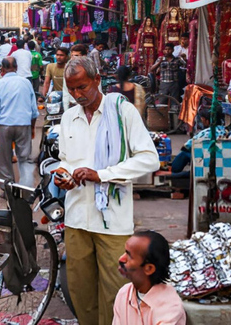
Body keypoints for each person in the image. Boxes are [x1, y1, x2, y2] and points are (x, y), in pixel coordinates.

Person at [55, 56, 159, 325]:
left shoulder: (122, 113)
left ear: (97, 80)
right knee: (80, 291)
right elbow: (65, 159)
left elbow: (149, 159)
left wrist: (101, 175)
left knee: (115, 293)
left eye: (83, 87)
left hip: (112, 221)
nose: (78, 95)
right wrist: (63, 175)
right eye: (72, 89)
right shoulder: (69, 117)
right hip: (77, 217)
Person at [0, 57, 39, 189]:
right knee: (24, 158)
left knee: (4, 160)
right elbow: (34, 110)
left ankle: (8, 190)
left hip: (4, 126)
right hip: (23, 125)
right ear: (16, 67)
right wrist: (32, 127)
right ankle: (25, 189)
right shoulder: (26, 83)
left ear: (2, 69)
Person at [113, 231, 186, 325]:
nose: (121, 259)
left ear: (149, 269)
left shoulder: (170, 306)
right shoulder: (124, 293)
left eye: (129, 256)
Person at [172, 106, 225, 175]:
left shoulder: (205, 133)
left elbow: (187, 146)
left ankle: (174, 171)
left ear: (207, 121)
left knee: (184, 153)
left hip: (206, 159)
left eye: (203, 120)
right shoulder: (223, 130)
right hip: (220, 159)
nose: (202, 121)